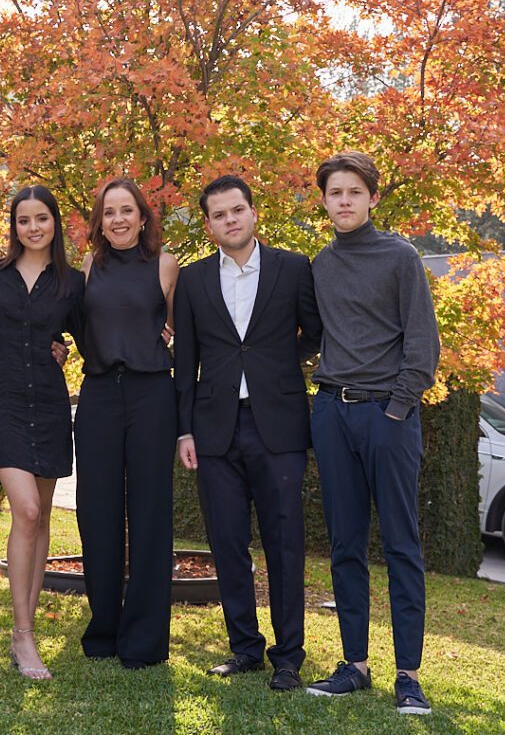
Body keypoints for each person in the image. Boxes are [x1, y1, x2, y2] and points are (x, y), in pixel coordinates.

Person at [174, 175, 322, 691]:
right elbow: (185, 361)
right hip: (214, 430)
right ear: (210, 225)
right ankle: (244, 649)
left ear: (253, 213)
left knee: (285, 542)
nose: (230, 220)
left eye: (237, 210)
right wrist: (184, 430)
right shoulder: (192, 282)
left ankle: (288, 656)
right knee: (227, 542)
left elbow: (314, 333)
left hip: (276, 424)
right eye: (219, 215)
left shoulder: (294, 267)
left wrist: (277, 366)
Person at [306, 151, 440, 715]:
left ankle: (408, 675)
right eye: (334, 193)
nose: (344, 201)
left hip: (388, 416)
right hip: (333, 413)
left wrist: (398, 408)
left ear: (372, 198)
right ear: (324, 201)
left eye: (354, 192)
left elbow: (422, 343)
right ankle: (355, 664)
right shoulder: (319, 264)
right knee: (344, 545)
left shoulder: (400, 256)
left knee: (402, 547)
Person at [0, 185, 85, 680]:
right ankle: (22, 637)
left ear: (54, 223)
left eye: (42, 218)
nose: (33, 227)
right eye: (24, 220)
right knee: (25, 508)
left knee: (40, 518)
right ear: (14, 226)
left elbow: (94, 338)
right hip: (0, 403)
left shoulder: (72, 282)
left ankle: (29, 626)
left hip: (48, 403)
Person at [74, 176, 179, 669]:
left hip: (151, 394)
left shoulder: (165, 266)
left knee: (150, 514)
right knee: (96, 512)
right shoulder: (89, 266)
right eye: (109, 211)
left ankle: (144, 640)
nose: (118, 219)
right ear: (100, 221)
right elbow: (77, 326)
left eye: (127, 210)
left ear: (142, 217)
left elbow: (179, 334)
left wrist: (173, 338)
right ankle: (104, 630)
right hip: (97, 395)